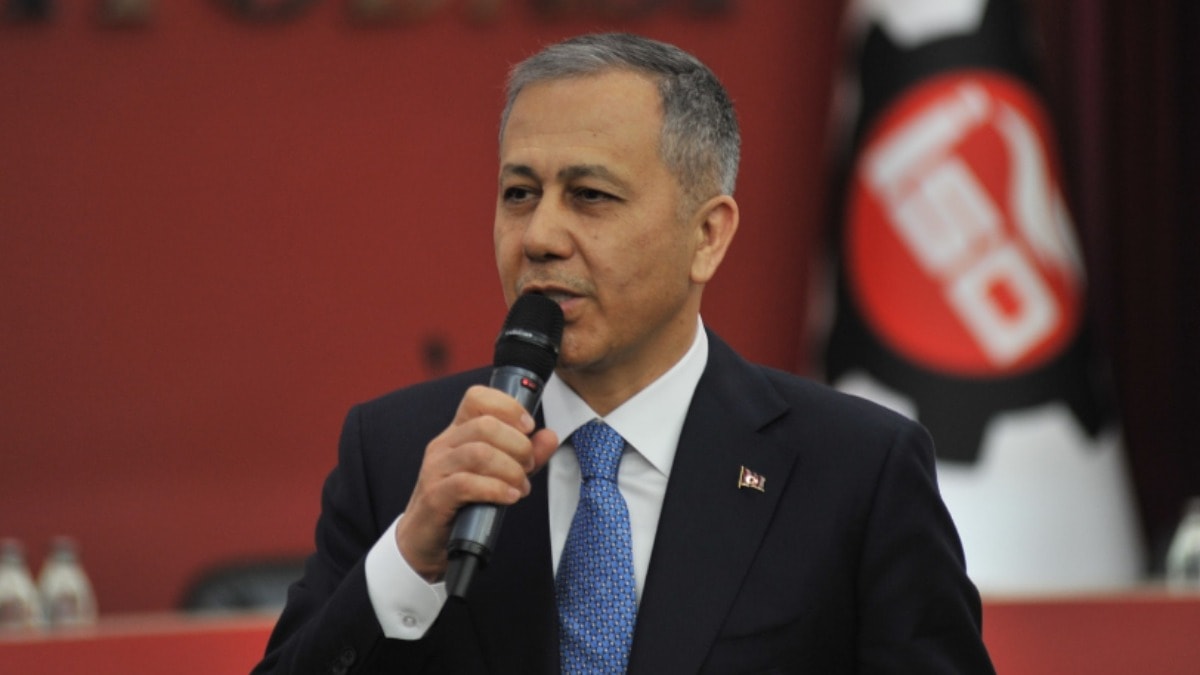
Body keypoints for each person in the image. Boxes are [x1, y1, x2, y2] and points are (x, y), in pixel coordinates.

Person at [254, 32, 994, 674]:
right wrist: (405, 561)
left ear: (707, 235)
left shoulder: (856, 469)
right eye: (519, 193)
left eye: (590, 196)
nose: (539, 236)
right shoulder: (399, 455)